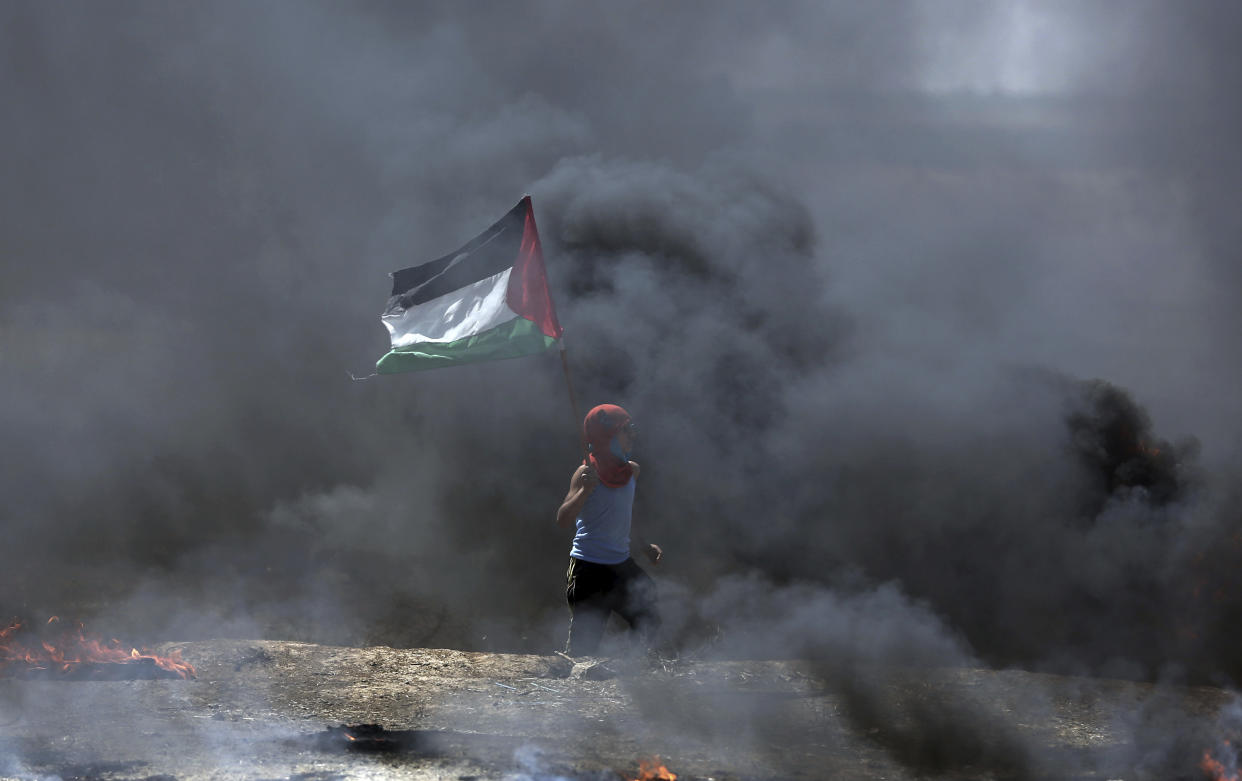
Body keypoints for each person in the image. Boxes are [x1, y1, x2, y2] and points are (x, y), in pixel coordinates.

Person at [556, 403, 662, 657]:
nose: (633, 435)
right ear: (609, 436)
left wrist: (643, 545)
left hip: (620, 564)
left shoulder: (631, 471)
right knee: (583, 649)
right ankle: (579, 688)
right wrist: (584, 491)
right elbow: (562, 519)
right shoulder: (585, 473)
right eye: (627, 429)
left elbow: (627, 513)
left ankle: (631, 672)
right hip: (587, 569)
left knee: (648, 614)